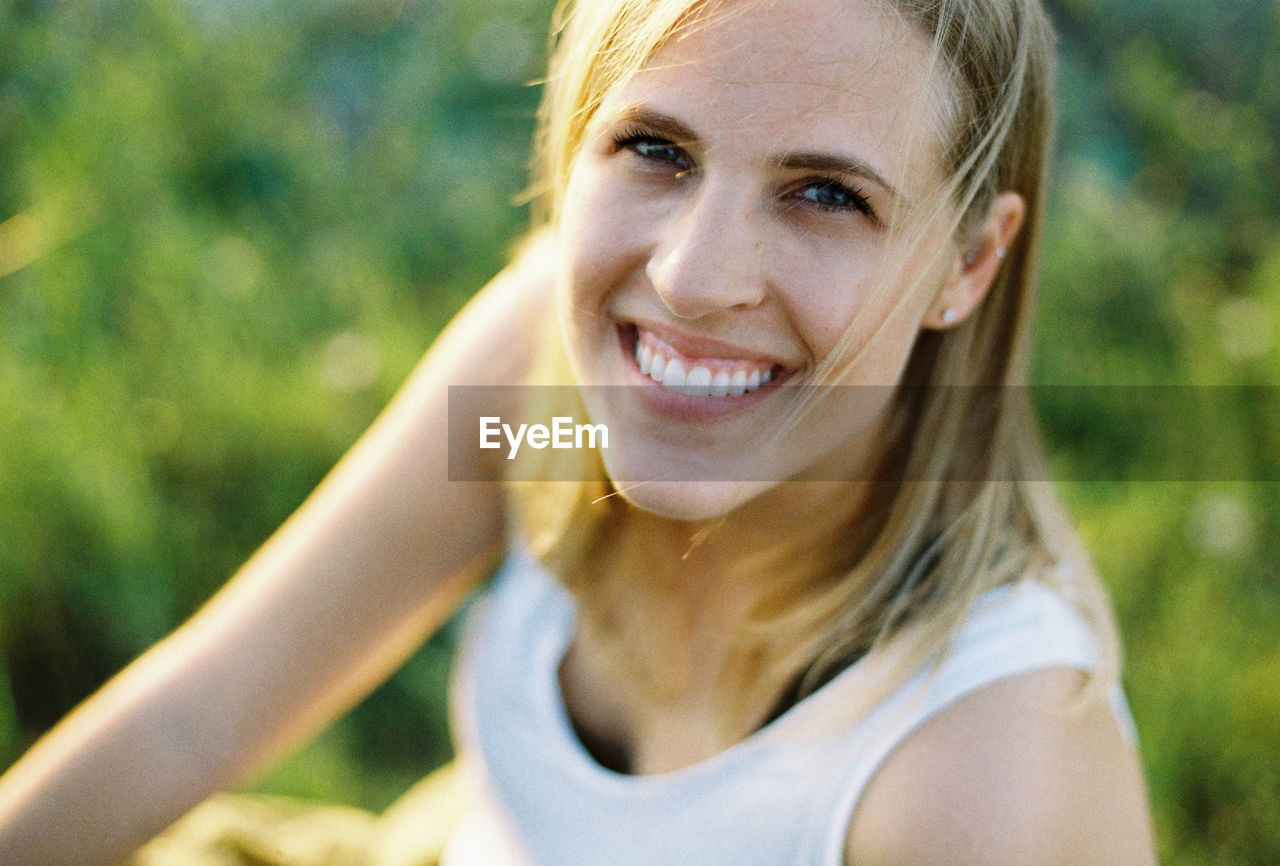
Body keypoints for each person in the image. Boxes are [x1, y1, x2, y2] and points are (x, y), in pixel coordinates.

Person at [0, 0, 1157, 862]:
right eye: (655, 149)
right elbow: (196, 722)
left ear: (968, 261)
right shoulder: (536, 395)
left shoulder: (982, 769)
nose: (695, 279)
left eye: (824, 195)